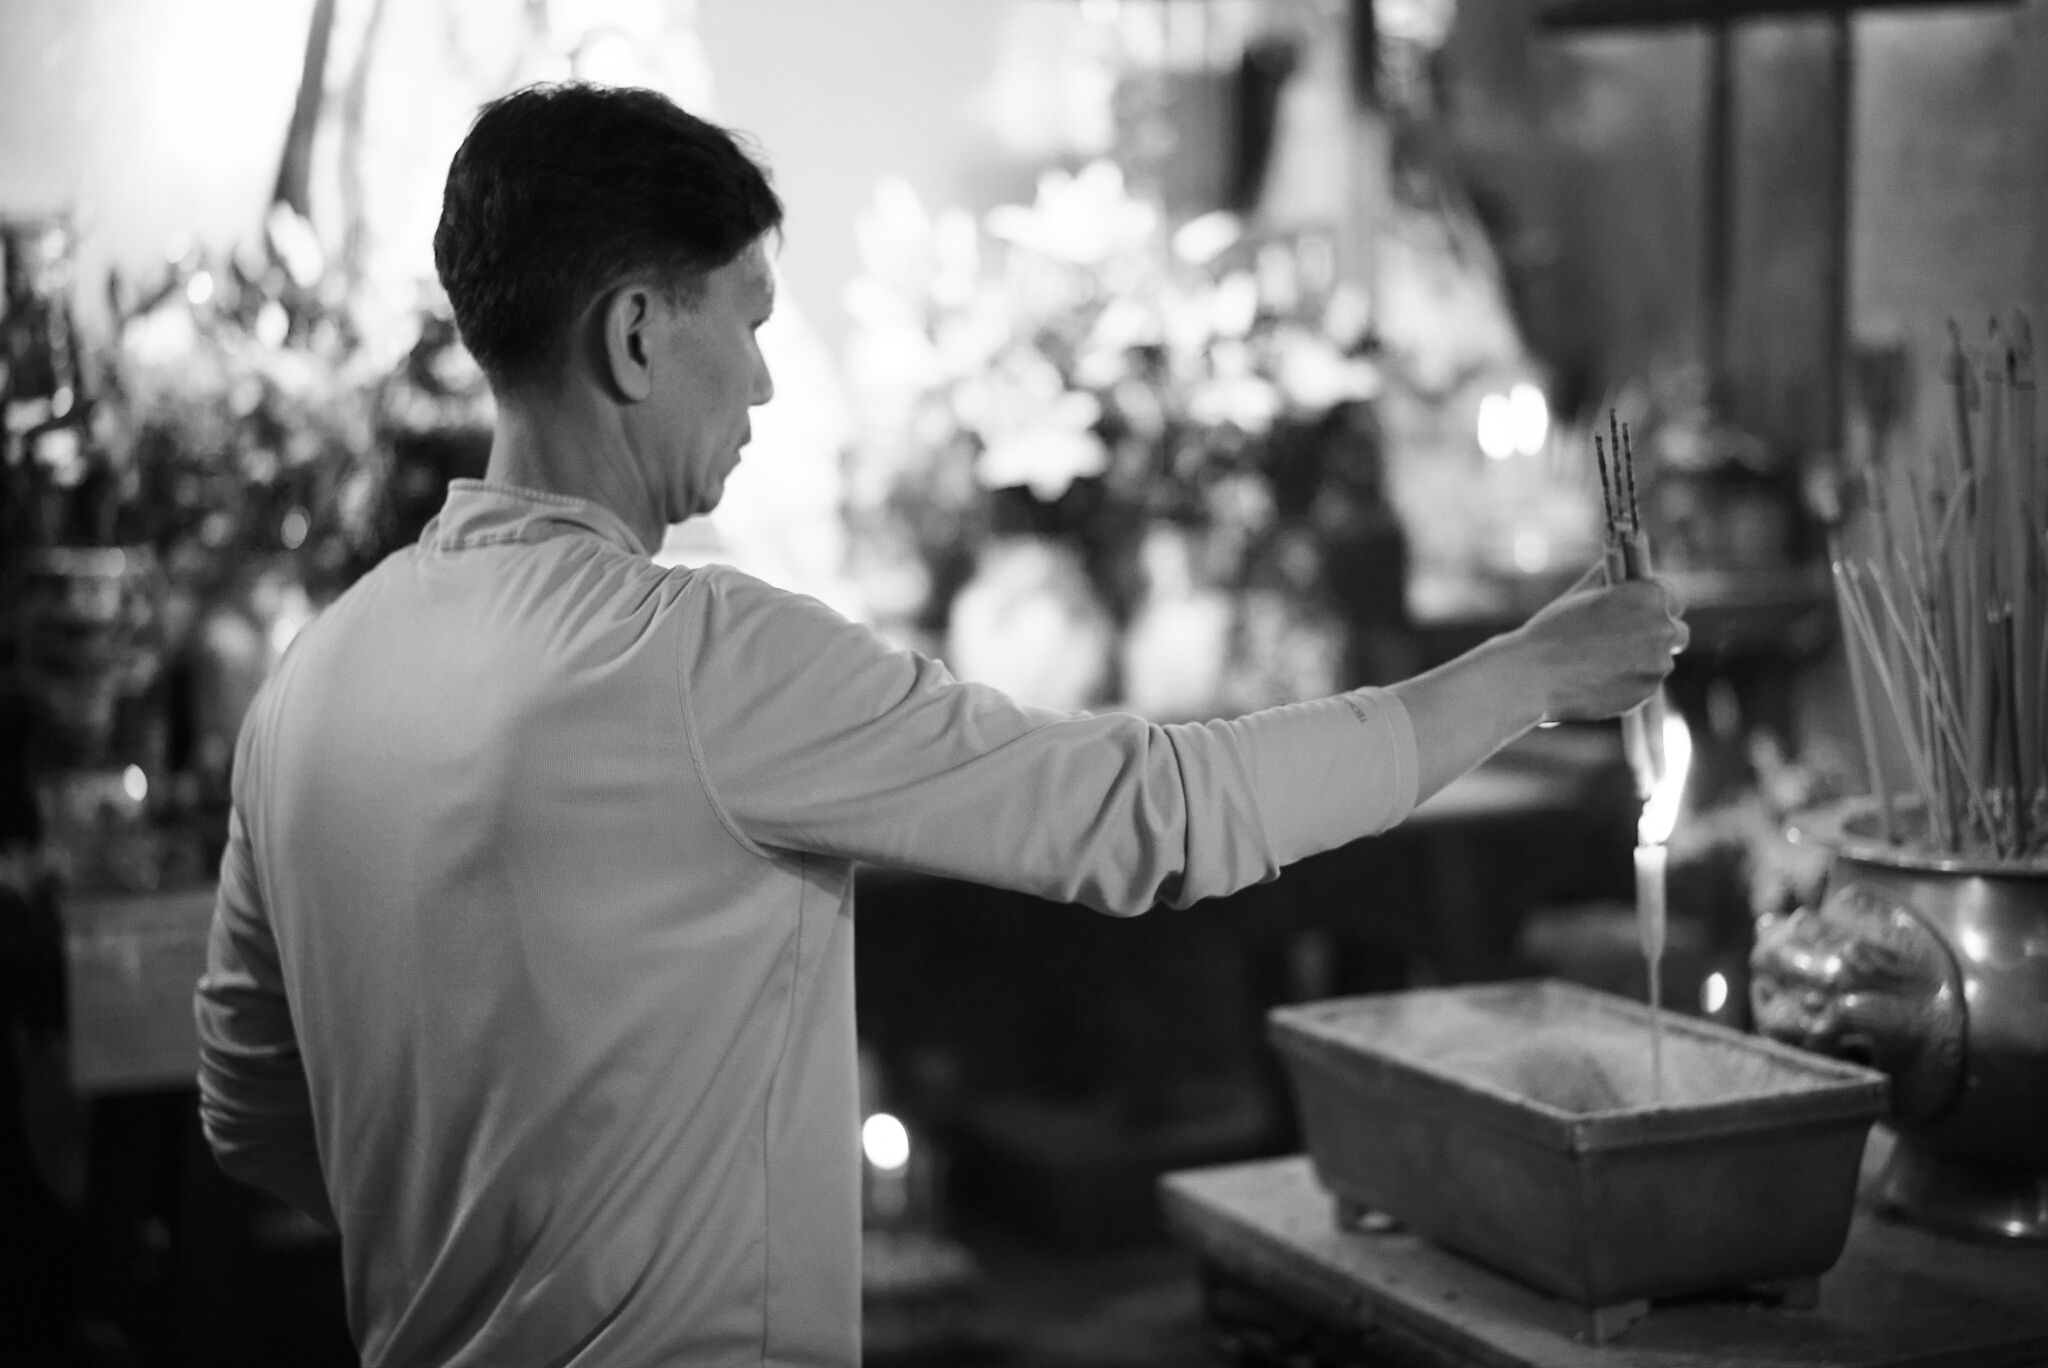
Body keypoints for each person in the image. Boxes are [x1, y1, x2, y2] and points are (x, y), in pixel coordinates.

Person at [195, 83, 1686, 1367]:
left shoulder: (311, 680)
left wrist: (486, 1236)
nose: (770, 379)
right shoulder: (699, 660)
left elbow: (252, 1111)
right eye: (751, 321)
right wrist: (1529, 674)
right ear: (638, 333)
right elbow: (1150, 817)